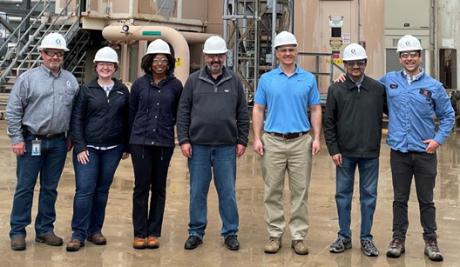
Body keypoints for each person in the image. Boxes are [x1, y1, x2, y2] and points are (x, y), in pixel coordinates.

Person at [381, 35, 455, 262]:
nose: (409, 58)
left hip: (425, 153)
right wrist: (344, 78)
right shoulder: (388, 80)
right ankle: (398, 239)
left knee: (426, 200)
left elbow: (448, 116)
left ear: (420, 56)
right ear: (399, 58)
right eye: (405, 54)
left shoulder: (433, 86)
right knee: (399, 199)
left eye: (413, 54)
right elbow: (365, 88)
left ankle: (431, 241)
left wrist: (437, 140)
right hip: (399, 153)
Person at [6, 32, 79, 251]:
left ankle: (45, 230)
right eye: (51, 53)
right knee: (25, 187)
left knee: (50, 188)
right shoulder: (27, 79)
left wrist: (71, 137)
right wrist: (17, 139)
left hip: (57, 144)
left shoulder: (70, 80)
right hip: (31, 142)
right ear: (42, 54)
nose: (55, 57)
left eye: (59, 53)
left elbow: (76, 113)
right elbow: (13, 110)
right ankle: (18, 231)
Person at [177, 35, 249, 251]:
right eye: (211, 56)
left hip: (226, 146)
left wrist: (242, 140)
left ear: (225, 56)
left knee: (227, 191)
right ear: (205, 56)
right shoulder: (192, 81)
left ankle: (230, 232)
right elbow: (183, 112)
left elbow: (242, 113)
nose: (215, 59)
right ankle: (196, 232)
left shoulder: (235, 81)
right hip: (198, 147)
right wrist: (183, 140)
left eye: (219, 55)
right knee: (197, 190)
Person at [252, 31, 322, 255]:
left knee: (300, 192)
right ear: (277, 53)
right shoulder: (267, 79)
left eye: (291, 49)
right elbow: (258, 109)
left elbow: (315, 109)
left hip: (301, 141)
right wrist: (257, 137)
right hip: (273, 141)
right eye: (283, 50)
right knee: (272, 190)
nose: (288, 53)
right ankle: (275, 235)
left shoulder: (308, 79)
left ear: (296, 51)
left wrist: (317, 137)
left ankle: (298, 236)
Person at [66, 47, 130, 252]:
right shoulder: (86, 90)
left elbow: (127, 120)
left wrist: (126, 146)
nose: (105, 67)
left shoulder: (122, 90)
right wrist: (80, 146)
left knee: (102, 191)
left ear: (115, 67)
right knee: (85, 190)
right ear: (96, 66)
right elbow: (76, 119)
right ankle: (78, 233)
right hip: (89, 149)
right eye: (101, 64)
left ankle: (95, 230)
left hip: (113, 149)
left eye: (109, 64)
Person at [324, 43, 385, 257]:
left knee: (369, 197)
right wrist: (333, 150)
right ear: (345, 65)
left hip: (370, 153)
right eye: (351, 63)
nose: (356, 67)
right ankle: (344, 236)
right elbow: (328, 123)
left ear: (366, 63)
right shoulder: (336, 89)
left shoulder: (378, 89)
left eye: (360, 62)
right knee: (343, 196)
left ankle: (366, 239)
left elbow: (394, 112)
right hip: (345, 154)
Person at [130, 39, 183, 249]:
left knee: (159, 188)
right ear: (149, 62)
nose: (159, 63)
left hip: (163, 142)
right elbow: (131, 113)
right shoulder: (139, 85)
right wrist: (128, 143)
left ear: (169, 62)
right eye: (156, 59)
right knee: (141, 187)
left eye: (163, 59)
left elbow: (180, 114)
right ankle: (139, 233)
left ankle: (154, 233)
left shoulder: (176, 86)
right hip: (140, 142)